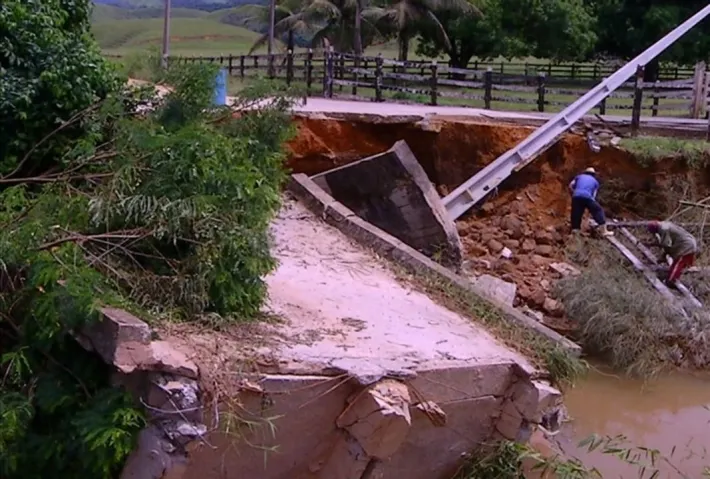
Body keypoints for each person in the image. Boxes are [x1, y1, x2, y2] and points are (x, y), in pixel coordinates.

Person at [647, 220, 698, 286]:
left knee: (677, 263)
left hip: (686, 245)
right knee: (688, 266)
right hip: (690, 241)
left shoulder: (663, 229)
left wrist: (663, 256)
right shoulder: (664, 224)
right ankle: (692, 282)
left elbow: (666, 244)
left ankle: (670, 281)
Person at [568, 167, 613, 236]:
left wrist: (574, 193)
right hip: (587, 197)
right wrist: (591, 206)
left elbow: (570, 185)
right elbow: (593, 195)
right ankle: (603, 231)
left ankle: (575, 230)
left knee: (576, 212)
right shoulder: (595, 182)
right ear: (593, 175)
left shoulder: (579, 177)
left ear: (585, 172)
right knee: (598, 210)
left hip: (576, 196)